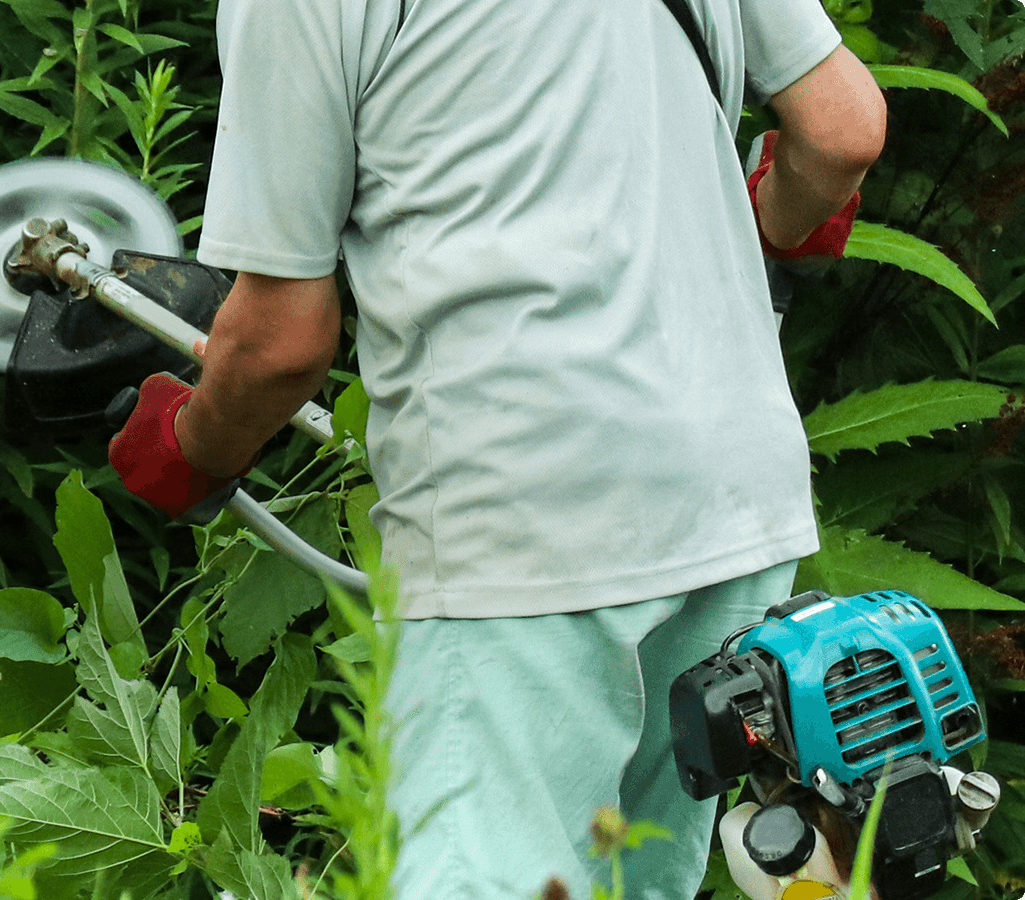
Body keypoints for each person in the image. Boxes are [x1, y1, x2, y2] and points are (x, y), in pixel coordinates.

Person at [107, 0, 886, 895]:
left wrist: (191, 442)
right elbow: (841, 130)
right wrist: (775, 221)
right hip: (731, 502)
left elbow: (280, 345)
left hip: (526, 517)